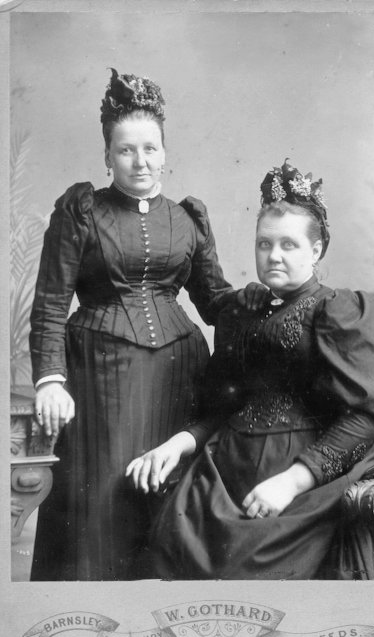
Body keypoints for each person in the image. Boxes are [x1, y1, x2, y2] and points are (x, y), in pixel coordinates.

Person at [29, 68, 265, 581]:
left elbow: (214, 302)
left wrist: (268, 299)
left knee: (170, 502)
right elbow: (50, 304)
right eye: (126, 150)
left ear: (164, 153)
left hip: (181, 376)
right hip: (100, 380)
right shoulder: (82, 211)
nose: (140, 161)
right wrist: (49, 379)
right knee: (102, 507)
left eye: (150, 149)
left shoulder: (187, 218)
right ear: (108, 156)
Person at [127, 159, 374, 580]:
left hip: (305, 473)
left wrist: (291, 483)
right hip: (224, 468)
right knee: (164, 559)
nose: (273, 256)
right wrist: (178, 444)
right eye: (264, 244)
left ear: (316, 251)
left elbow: (361, 420)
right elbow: (224, 407)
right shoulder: (242, 312)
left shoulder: (338, 311)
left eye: (289, 245)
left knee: (246, 576)